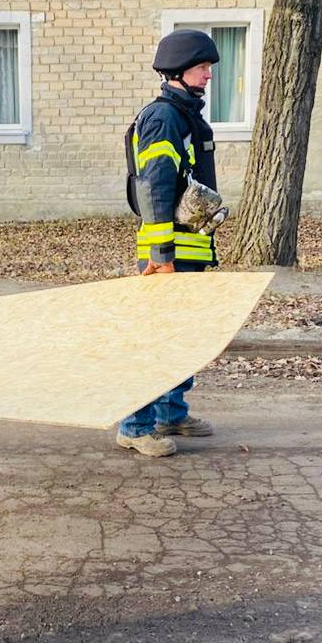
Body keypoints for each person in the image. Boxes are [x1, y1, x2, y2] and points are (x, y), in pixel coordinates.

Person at [116, 29, 222, 458]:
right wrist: (160, 256)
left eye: (209, 67)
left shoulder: (187, 115)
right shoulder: (164, 118)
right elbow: (155, 187)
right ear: (178, 71)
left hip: (188, 247)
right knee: (157, 341)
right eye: (202, 67)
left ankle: (170, 413)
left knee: (184, 338)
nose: (209, 75)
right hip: (169, 252)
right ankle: (135, 425)